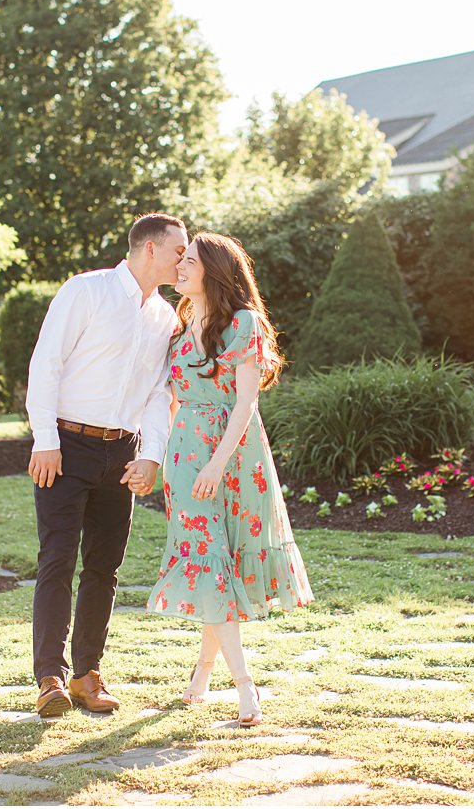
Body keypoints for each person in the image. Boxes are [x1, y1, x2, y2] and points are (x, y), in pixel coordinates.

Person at [133, 232, 313, 727]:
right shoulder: (178, 328)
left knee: (223, 563)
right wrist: (157, 455)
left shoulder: (243, 323)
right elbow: (164, 400)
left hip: (234, 456)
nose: (180, 268)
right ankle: (244, 688)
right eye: (181, 260)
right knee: (209, 563)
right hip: (185, 457)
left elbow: (246, 402)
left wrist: (217, 463)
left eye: (189, 261)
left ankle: (202, 676)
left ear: (213, 270)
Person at [26, 213, 187, 717]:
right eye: (179, 250)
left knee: (105, 568)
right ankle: (49, 677)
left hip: (123, 453)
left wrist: (150, 455)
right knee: (57, 559)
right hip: (65, 447)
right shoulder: (85, 291)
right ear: (150, 250)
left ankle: (86, 676)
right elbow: (45, 362)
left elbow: (161, 393)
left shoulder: (167, 317)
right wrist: (45, 439)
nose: (185, 259)